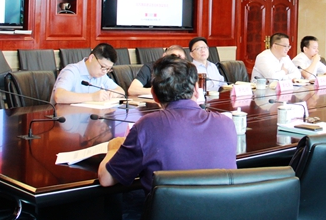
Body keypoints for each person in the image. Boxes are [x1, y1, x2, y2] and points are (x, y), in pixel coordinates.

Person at [98, 54, 237, 194]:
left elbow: (106, 179)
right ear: (196, 89)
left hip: (170, 209)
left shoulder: (147, 126)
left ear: (154, 95)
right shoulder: (226, 123)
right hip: (224, 208)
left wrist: (114, 147)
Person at [51, 43, 125, 104]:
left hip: (91, 116)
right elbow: (59, 96)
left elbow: (121, 91)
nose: (105, 71)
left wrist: (113, 94)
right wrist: (92, 97)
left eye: (108, 69)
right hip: (66, 116)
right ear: (91, 58)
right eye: (103, 66)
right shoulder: (71, 71)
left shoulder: (102, 75)